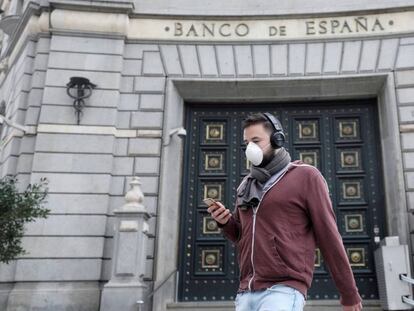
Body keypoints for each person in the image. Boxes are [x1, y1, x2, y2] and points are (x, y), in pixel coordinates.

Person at [207, 113, 363, 311]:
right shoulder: (246, 185)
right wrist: (226, 222)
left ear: (276, 139)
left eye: (256, 141)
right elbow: (241, 236)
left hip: (283, 289)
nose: (250, 148)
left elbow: (329, 236)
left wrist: (349, 293)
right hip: (246, 291)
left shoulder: (306, 176)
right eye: (247, 142)